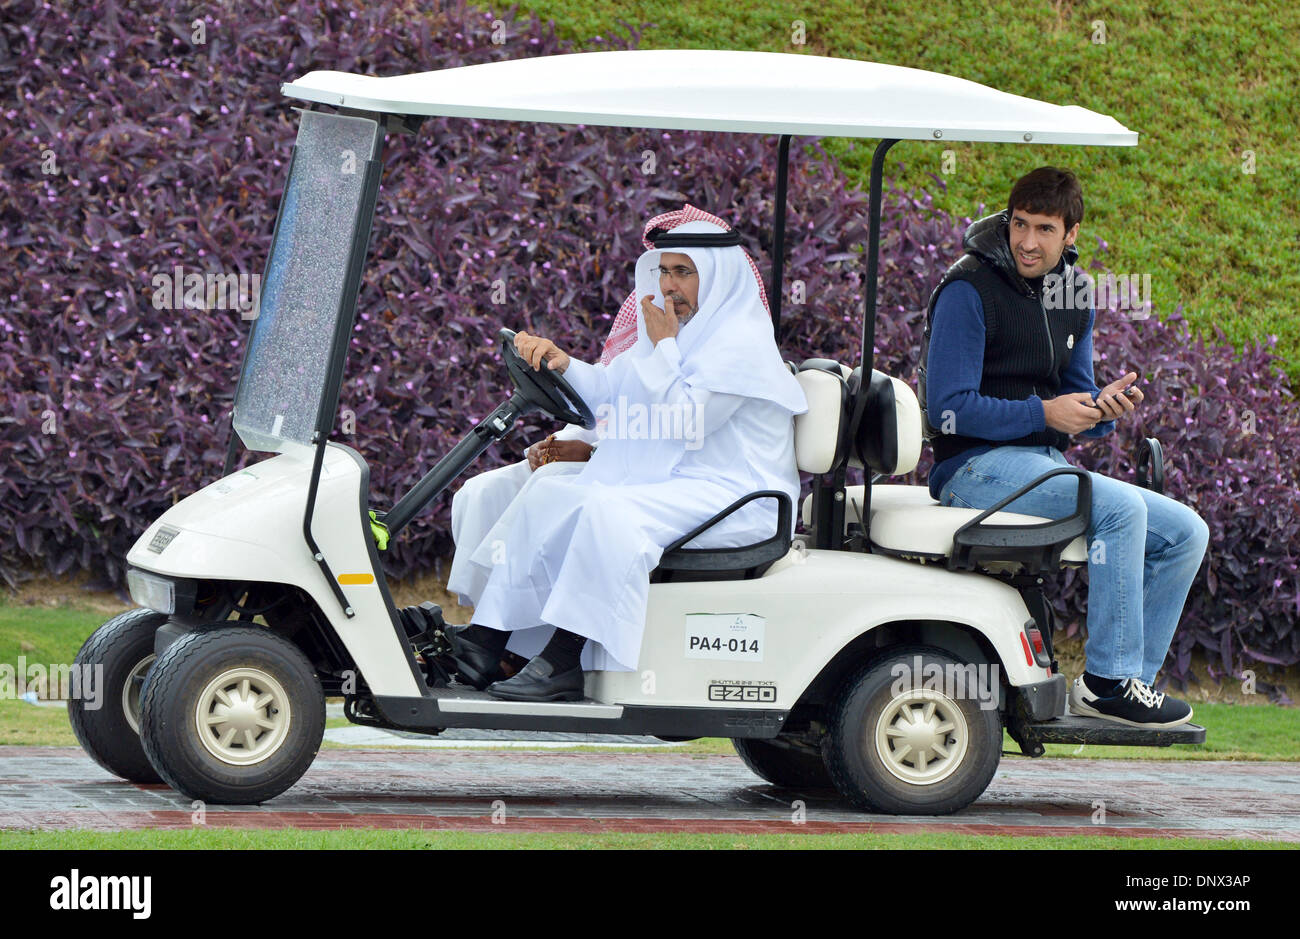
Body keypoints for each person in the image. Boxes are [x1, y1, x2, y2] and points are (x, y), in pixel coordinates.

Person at [446, 214, 807, 702]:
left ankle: (565, 660)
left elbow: (686, 422)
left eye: (683, 272)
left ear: (716, 276)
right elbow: (613, 396)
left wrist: (662, 346)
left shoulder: (741, 346)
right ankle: (488, 640)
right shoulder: (680, 332)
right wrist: (563, 363)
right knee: (552, 490)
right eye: (664, 271)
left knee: (608, 509)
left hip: (736, 496)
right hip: (681, 481)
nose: (669, 285)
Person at [919, 166, 1209, 728]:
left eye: (1045, 229)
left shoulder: (1074, 294)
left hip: (1041, 464)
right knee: (1121, 508)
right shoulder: (967, 288)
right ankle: (1106, 682)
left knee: (1185, 533)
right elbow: (947, 407)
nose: (1028, 242)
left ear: (1071, 233)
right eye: (1020, 225)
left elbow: (1075, 393)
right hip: (971, 468)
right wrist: (1042, 413)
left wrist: (1100, 411)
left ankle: (1132, 682)